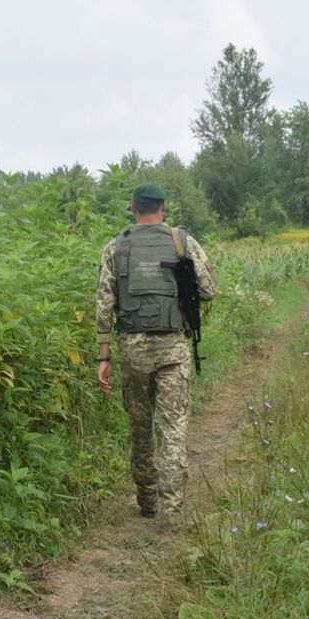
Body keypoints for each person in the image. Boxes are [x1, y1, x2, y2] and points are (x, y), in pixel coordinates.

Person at [94, 183, 218, 519]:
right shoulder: (183, 242)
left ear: (133, 208)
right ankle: (172, 509)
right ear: (163, 206)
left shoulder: (116, 246)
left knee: (140, 427)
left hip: (132, 349)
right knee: (173, 428)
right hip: (172, 347)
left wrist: (103, 357)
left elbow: (104, 304)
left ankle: (147, 501)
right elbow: (209, 289)